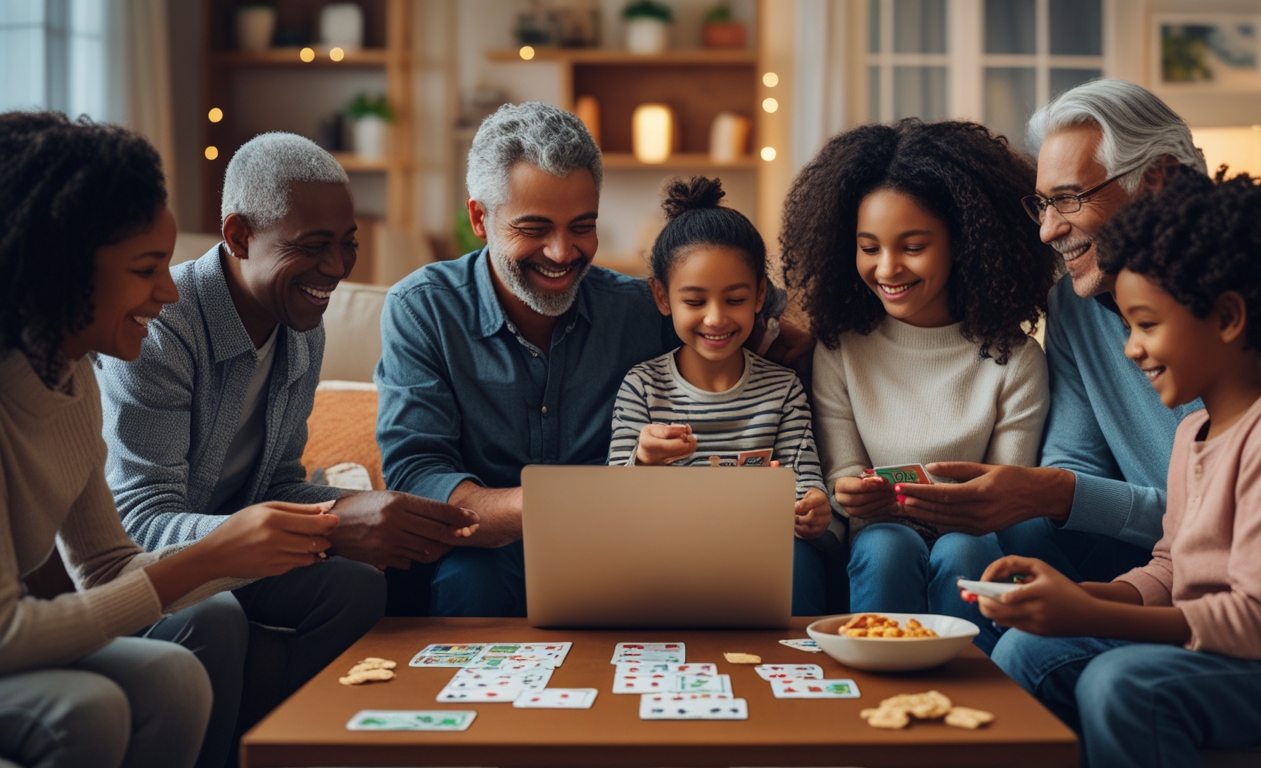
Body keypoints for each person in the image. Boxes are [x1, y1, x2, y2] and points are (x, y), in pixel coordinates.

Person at [897, 79, 1261, 646]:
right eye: (1043, 204)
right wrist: (1038, 492)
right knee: (1013, 537)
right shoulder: (1073, 308)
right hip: (1148, 563)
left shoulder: (1250, 293)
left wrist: (1053, 493)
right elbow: (1076, 467)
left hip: (1236, 571)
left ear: (1157, 180)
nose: (1049, 229)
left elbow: (1243, 515)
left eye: (1070, 199)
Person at [93, 132, 477, 765]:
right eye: (312, 247)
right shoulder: (161, 327)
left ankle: (299, 751)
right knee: (213, 614)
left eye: (348, 243)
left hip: (238, 554)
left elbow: (276, 481)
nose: (336, 267)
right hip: (154, 567)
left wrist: (372, 508)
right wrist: (331, 522)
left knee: (355, 586)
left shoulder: (300, 328)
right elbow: (139, 523)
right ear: (240, 236)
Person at [972, 170, 1261, 768]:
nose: (1131, 348)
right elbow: (1171, 568)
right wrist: (1074, 597)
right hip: (1231, 642)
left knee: (1123, 686)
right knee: (1026, 651)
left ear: (1229, 317)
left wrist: (1089, 615)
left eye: (1148, 324)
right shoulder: (1194, 432)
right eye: (1129, 326)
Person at [0, 113, 341, 768]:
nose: (167, 290)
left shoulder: (72, 374)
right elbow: (9, 632)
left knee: (177, 672)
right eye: (146, 268)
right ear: (58, 270)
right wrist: (211, 553)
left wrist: (256, 545)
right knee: (87, 710)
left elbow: (102, 567)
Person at [375, 102, 802, 618]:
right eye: (534, 228)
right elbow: (416, 472)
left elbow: (747, 316)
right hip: (485, 553)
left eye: (582, 225)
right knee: (471, 580)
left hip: (628, 547)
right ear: (479, 218)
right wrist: (556, 505)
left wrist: (794, 333)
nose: (562, 252)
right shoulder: (423, 308)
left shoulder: (642, 309)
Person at [778, 119, 1057, 619]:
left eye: (912, 247)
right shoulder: (842, 350)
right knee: (886, 548)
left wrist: (941, 507)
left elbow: (1004, 490)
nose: (887, 269)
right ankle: (875, 688)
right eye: (869, 248)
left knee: (963, 550)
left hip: (975, 535)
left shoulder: (1015, 360)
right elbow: (842, 475)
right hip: (879, 538)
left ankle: (978, 692)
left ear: (965, 242)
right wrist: (848, 492)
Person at [607, 177, 837, 615]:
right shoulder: (642, 385)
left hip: (762, 548)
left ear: (760, 297)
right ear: (661, 296)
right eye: (694, 301)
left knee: (802, 559)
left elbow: (804, 481)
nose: (716, 319)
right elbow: (615, 505)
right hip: (668, 550)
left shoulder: (782, 388)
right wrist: (642, 462)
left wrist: (812, 509)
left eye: (735, 298)